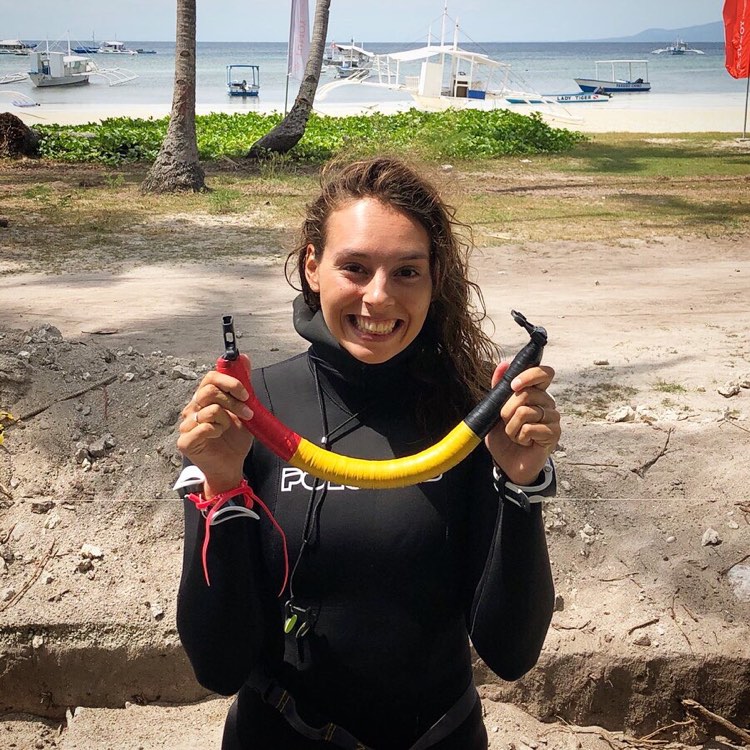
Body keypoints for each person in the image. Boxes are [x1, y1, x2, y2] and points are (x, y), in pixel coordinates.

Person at [175, 156, 561, 750]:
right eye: (354, 267)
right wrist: (222, 487)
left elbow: (511, 654)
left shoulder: (477, 422)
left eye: (406, 271)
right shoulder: (246, 416)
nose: (378, 298)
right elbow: (218, 667)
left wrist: (520, 486)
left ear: (435, 279)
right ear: (312, 266)